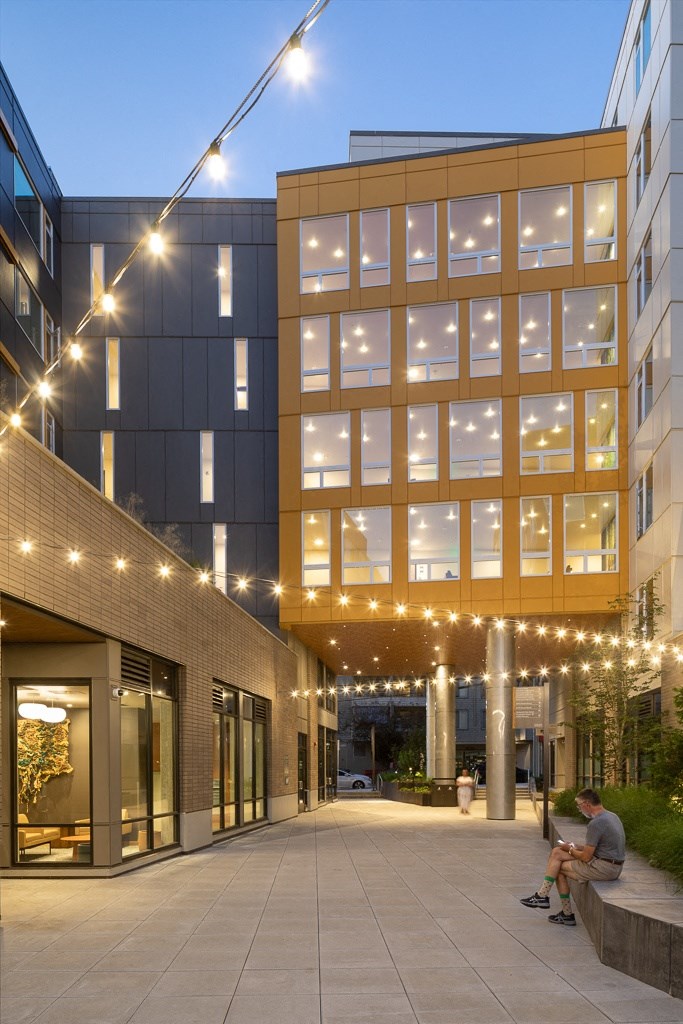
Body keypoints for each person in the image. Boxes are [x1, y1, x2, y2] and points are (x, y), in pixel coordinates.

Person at [520, 788, 625, 926]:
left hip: (604, 868)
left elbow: (586, 857)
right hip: (612, 865)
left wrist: (569, 849)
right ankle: (543, 897)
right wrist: (574, 846)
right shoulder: (611, 816)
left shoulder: (596, 823)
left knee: (557, 868)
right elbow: (599, 848)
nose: (579, 809)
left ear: (587, 804)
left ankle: (560, 908)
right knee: (557, 852)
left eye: (579, 805)